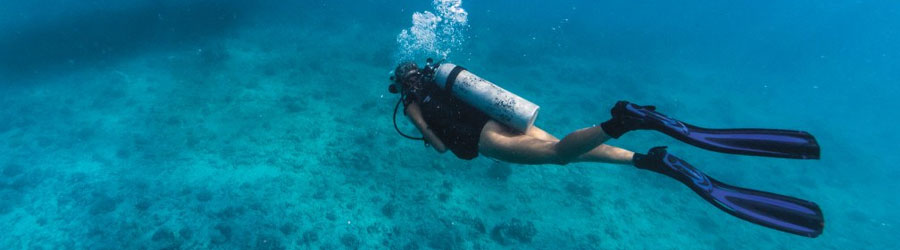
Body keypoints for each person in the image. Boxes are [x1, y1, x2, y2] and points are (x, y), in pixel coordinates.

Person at [387, 60, 824, 237]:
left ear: (400, 82)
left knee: (560, 156)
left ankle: (622, 122)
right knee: (562, 148)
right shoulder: (440, 78)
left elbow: (440, 146)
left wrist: (429, 136)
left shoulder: (410, 101)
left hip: (483, 137)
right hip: (499, 116)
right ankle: (650, 161)